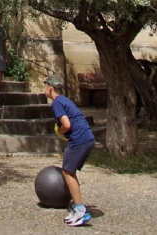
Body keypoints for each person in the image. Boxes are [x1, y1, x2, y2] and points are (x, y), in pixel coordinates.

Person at [45, 74, 95, 227]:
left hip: (79, 139)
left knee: (67, 171)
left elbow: (66, 124)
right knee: (70, 171)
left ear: (50, 88)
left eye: (45, 86)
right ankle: (77, 206)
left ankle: (79, 210)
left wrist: (60, 131)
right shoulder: (65, 100)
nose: (44, 89)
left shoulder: (57, 103)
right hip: (87, 138)